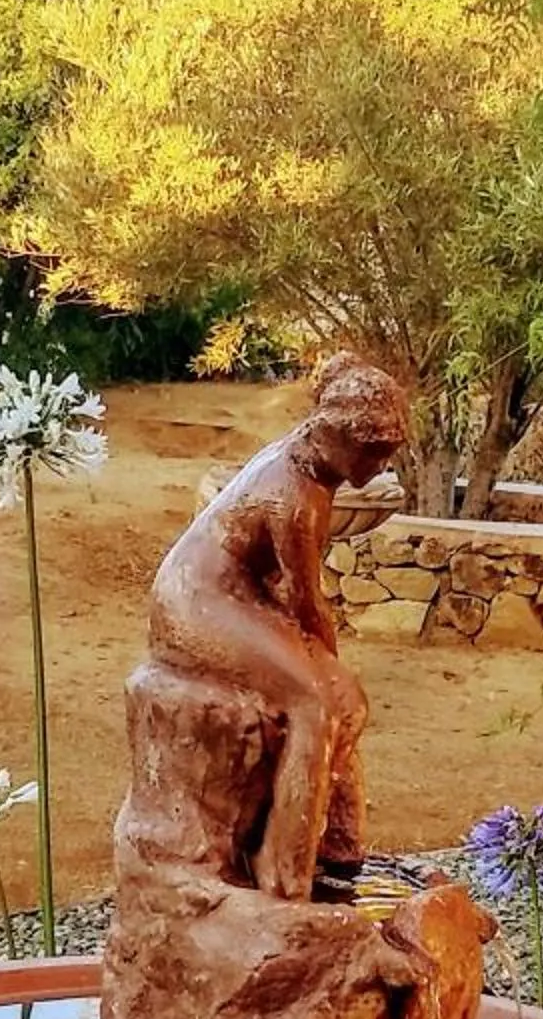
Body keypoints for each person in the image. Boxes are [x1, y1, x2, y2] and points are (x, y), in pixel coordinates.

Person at [142, 354, 410, 899]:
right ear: (339, 436)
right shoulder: (293, 496)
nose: (382, 465)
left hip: (239, 597)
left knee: (346, 698)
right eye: (376, 451)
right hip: (194, 603)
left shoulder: (311, 466)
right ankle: (285, 873)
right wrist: (325, 665)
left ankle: (339, 852)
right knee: (312, 704)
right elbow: (307, 604)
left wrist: (336, 675)